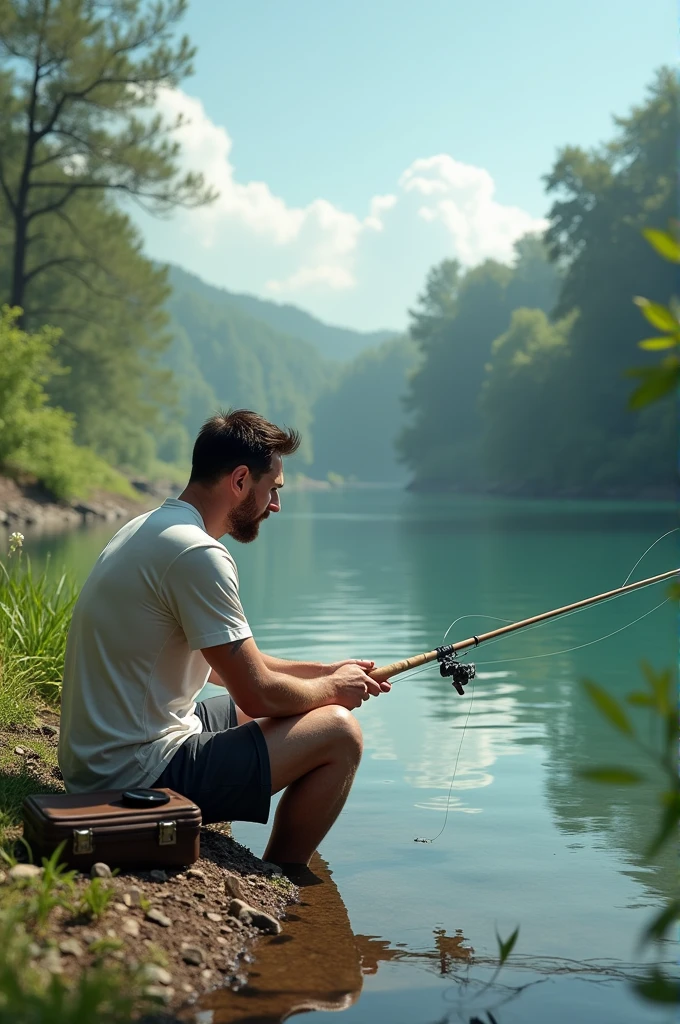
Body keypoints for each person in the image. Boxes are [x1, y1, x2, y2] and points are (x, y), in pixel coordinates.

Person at [58, 409, 390, 867]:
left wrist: (322, 673)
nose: (276, 505)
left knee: (283, 705)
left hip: (97, 757)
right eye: (272, 489)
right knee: (339, 731)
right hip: (132, 773)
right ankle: (281, 872)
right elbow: (257, 689)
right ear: (239, 479)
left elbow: (219, 663)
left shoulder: (151, 527)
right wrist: (333, 691)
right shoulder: (198, 554)